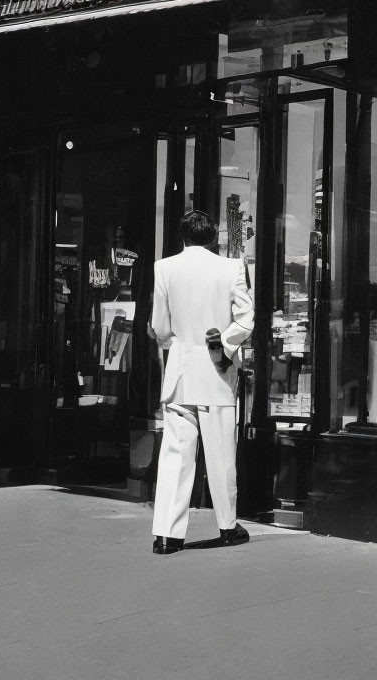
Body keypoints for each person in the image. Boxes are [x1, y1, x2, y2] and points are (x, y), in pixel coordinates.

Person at [150, 210, 254, 554]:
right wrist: (223, 345)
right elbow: (245, 319)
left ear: (183, 236)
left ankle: (167, 534)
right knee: (221, 452)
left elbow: (160, 327)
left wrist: (174, 343)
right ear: (212, 238)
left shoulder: (164, 268)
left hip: (179, 371)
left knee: (176, 455)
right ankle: (227, 525)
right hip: (216, 372)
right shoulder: (231, 267)